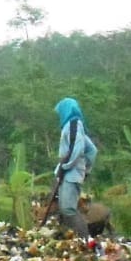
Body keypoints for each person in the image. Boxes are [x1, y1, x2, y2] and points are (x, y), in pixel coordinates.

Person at [53, 97, 98, 237]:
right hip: (72, 173)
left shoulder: (73, 124)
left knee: (68, 209)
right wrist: (86, 170)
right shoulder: (76, 125)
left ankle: (86, 239)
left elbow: (75, 149)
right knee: (63, 208)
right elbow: (92, 150)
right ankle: (72, 239)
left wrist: (65, 166)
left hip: (70, 174)